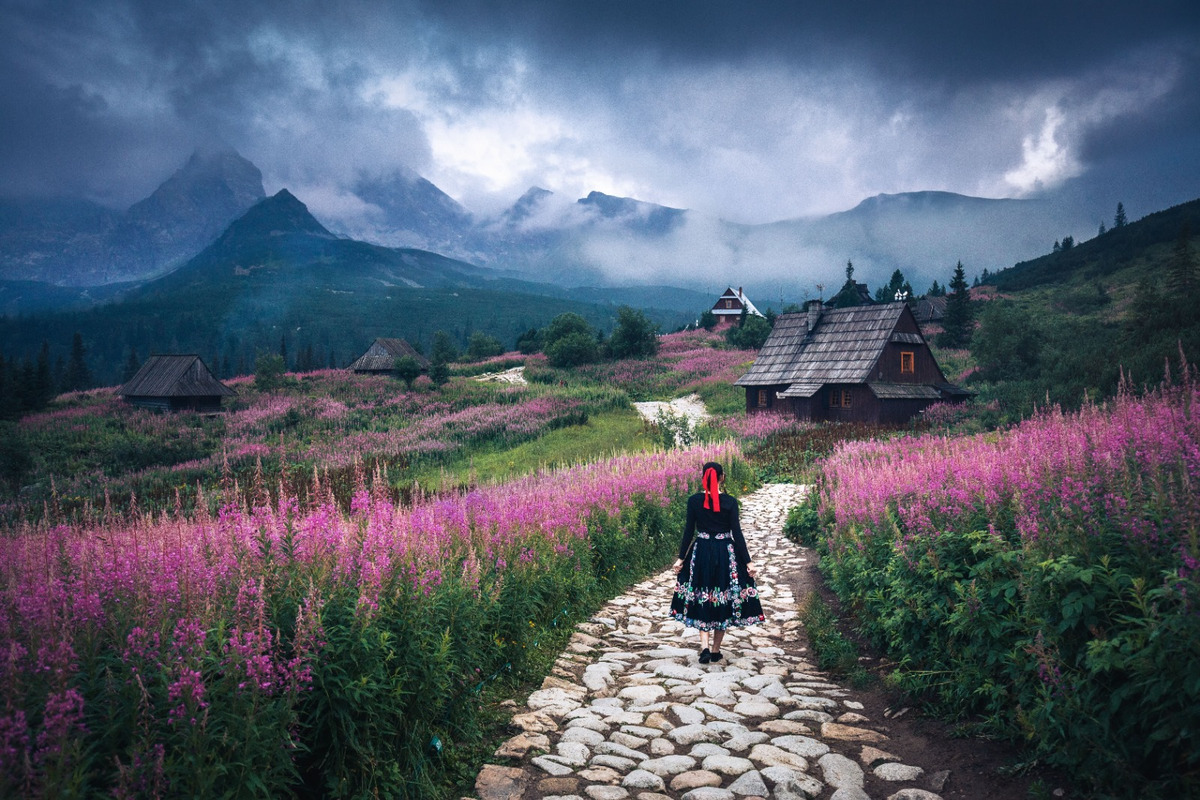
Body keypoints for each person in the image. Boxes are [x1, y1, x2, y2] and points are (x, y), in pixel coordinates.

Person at [669, 461, 764, 663]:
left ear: (703, 478)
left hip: (701, 552)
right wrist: (748, 562)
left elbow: (688, 532)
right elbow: (737, 534)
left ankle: (704, 647)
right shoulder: (730, 502)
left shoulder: (694, 501)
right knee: (723, 597)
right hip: (725, 553)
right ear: (722, 477)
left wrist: (681, 558)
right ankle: (715, 650)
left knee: (703, 594)